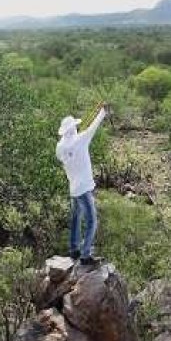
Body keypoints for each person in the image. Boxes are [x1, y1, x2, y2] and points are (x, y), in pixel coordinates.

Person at [56, 105, 107, 265]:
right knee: (92, 221)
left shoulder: (60, 147)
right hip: (84, 188)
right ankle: (85, 254)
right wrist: (103, 112)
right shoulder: (81, 139)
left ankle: (74, 249)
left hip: (74, 189)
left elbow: (67, 153)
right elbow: (93, 126)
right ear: (73, 128)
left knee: (76, 218)